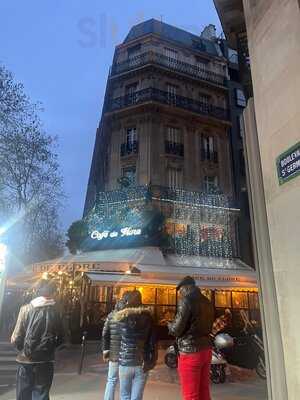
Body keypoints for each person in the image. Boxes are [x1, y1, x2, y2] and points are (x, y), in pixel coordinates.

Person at [11, 280, 63, 400]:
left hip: (25, 360)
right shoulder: (57, 311)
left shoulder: (25, 309)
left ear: (37, 292)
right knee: (42, 394)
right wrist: (48, 348)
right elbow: (62, 338)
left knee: (23, 395)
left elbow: (16, 338)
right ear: (52, 293)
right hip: (46, 360)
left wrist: (23, 349)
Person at [168, 276, 214, 400]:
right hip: (206, 349)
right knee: (204, 391)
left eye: (181, 290)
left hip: (190, 352)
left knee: (191, 395)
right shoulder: (207, 301)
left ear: (187, 287)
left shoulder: (186, 301)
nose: (180, 294)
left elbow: (176, 330)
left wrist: (169, 324)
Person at [114, 290, 156, 400]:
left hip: (125, 362)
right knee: (137, 397)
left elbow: (116, 338)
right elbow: (152, 342)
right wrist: (151, 361)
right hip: (142, 362)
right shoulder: (148, 318)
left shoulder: (121, 318)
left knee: (124, 396)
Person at [102, 297, 126, 400]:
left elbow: (104, 335)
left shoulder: (110, 316)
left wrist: (105, 352)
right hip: (125, 355)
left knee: (111, 380)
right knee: (125, 382)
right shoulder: (127, 317)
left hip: (113, 355)